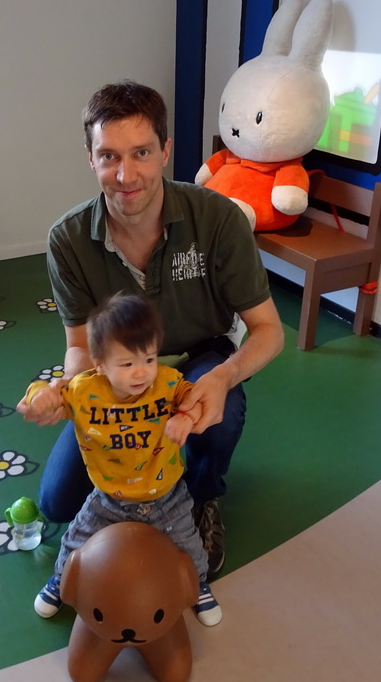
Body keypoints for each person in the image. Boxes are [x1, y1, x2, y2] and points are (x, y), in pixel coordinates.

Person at [17, 80, 284, 577]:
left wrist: (223, 377)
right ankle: (127, 487)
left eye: (141, 152)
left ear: (165, 151)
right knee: (56, 504)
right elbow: (79, 346)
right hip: (113, 377)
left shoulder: (218, 220)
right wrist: (65, 389)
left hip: (199, 356)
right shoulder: (68, 239)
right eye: (109, 156)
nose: (126, 174)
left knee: (219, 416)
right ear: (90, 158)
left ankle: (201, 496)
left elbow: (269, 329)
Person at [23, 292, 222, 626]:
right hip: (108, 499)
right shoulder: (85, 390)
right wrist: (38, 398)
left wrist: (186, 418)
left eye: (149, 359)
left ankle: (197, 585)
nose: (141, 373)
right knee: (74, 540)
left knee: (189, 547)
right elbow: (46, 392)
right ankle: (63, 582)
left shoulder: (167, 384)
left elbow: (196, 398)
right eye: (127, 364)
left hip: (167, 498)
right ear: (100, 364)